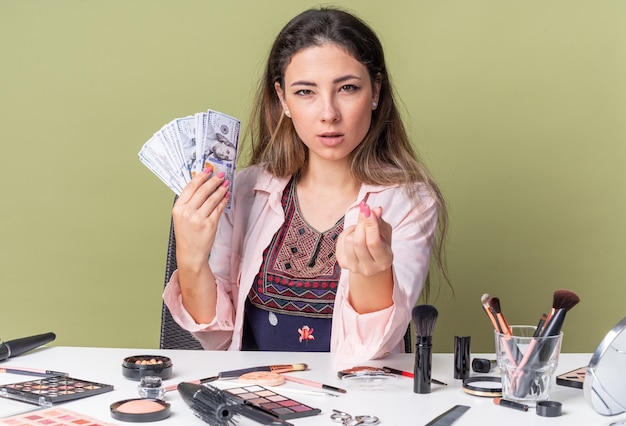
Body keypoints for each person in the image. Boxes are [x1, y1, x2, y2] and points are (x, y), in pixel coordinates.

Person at [163, 6, 448, 369]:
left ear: (375, 91)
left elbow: (372, 351)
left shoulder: (409, 201)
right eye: (305, 92)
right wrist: (190, 257)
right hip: (256, 397)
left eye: (347, 88)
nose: (328, 113)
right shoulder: (245, 190)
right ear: (282, 99)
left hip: (351, 403)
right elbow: (217, 338)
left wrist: (371, 271)